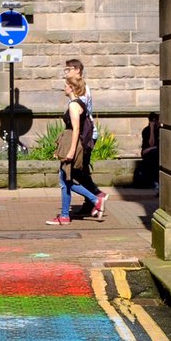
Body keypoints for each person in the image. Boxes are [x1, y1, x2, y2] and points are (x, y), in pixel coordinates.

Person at [46, 78, 109, 226]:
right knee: (66, 180)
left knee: (65, 180)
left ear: (72, 88)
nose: (64, 88)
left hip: (72, 144)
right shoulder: (79, 104)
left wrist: (71, 151)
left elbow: (76, 130)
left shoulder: (74, 105)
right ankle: (65, 216)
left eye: (66, 86)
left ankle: (95, 200)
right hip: (69, 143)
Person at [63, 58, 101, 211]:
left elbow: (78, 123)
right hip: (86, 135)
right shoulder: (83, 89)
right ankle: (90, 202)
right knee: (82, 171)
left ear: (77, 70)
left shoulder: (81, 92)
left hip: (85, 136)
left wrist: (72, 148)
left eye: (69, 69)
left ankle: (97, 196)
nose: (67, 72)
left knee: (77, 172)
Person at [136, 112, 159, 187]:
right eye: (153, 121)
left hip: (154, 153)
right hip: (147, 153)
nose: (155, 122)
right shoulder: (146, 131)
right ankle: (154, 182)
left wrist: (152, 148)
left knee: (155, 154)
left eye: (156, 120)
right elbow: (151, 144)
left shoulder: (160, 130)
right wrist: (152, 129)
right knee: (153, 154)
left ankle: (155, 181)